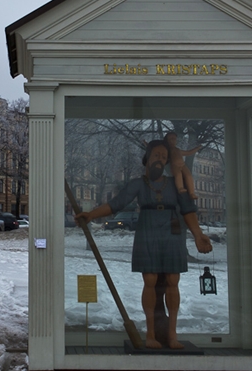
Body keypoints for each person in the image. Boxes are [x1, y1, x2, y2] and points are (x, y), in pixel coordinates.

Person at [76, 139, 212, 349]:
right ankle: (150, 334)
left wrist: (198, 234)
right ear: (147, 158)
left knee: (173, 281)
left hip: (172, 232)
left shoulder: (176, 185)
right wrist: (91, 215)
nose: (160, 159)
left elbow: (188, 210)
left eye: (164, 157)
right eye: (156, 155)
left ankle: (172, 335)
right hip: (147, 231)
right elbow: (115, 204)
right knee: (149, 280)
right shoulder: (138, 184)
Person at [164, 132, 201, 199]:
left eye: (174, 139)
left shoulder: (178, 150)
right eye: (171, 139)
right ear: (167, 141)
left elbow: (189, 153)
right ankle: (180, 188)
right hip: (174, 165)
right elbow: (158, 151)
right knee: (178, 174)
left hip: (183, 165)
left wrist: (197, 148)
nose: (173, 140)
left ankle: (192, 193)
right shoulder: (167, 150)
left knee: (189, 175)